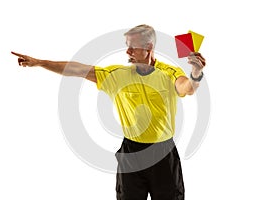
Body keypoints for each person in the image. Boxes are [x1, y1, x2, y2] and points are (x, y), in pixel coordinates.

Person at [12, 24, 206, 200]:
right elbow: (76, 69)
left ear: (149, 48)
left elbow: (186, 88)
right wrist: (39, 62)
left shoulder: (169, 73)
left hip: (163, 154)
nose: (127, 51)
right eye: (127, 45)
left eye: (133, 46)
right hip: (131, 153)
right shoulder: (117, 76)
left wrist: (195, 73)